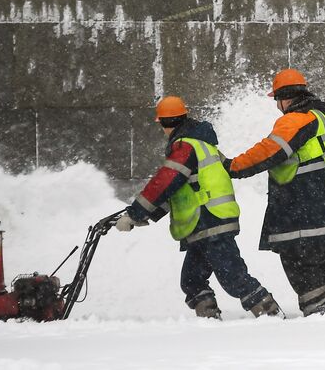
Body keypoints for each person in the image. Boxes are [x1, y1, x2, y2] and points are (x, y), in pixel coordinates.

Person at [117, 95, 282, 320]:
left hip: (209, 220)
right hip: (203, 223)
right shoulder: (203, 144)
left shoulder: (185, 147)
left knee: (233, 277)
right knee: (192, 281)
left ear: (164, 123)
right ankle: (208, 319)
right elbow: (177, 190)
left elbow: (164, 182)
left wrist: (136, 212)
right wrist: (142, 215)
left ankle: (271, 314)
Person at [226, 69, 325, 316]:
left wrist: (232, 166)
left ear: (283, 99)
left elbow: (269, 150)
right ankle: (324, 311)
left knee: (295, 253)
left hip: (309, 203)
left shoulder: (297, 118)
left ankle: (321, 310)